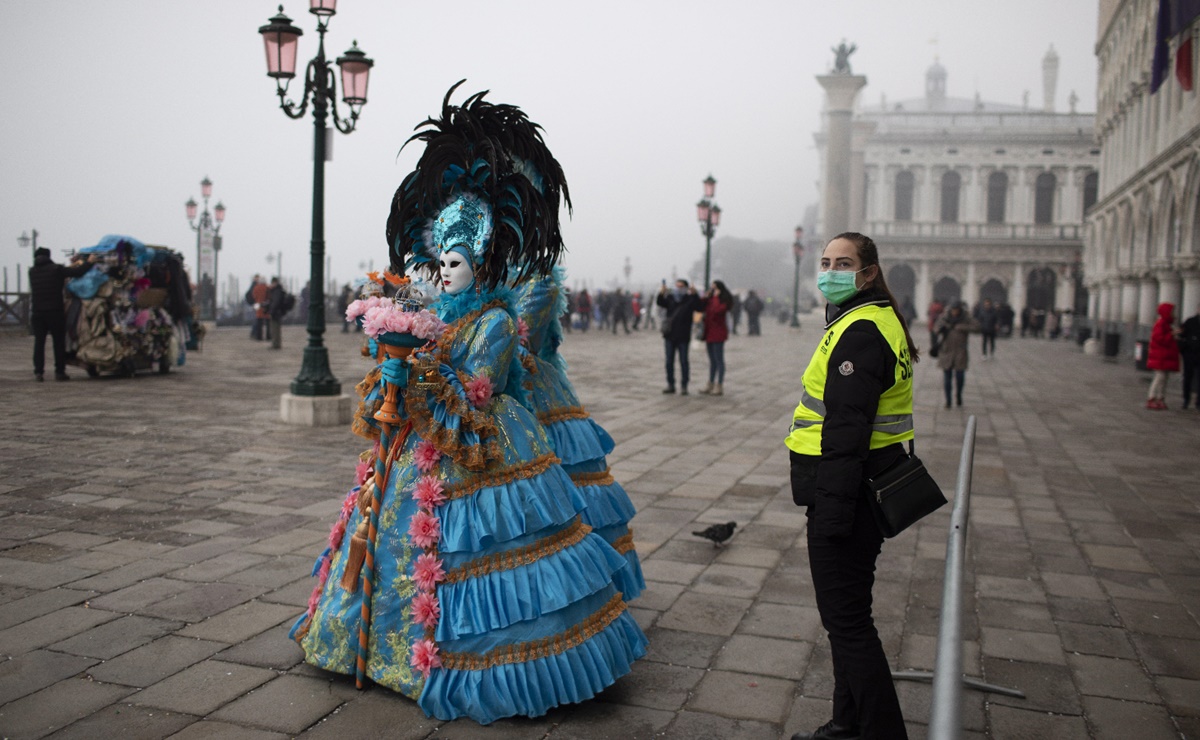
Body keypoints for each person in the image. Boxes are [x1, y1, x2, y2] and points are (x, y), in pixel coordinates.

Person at [291, 84, 647, 725]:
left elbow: (481, 386)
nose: (446, 271)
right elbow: (430, 368)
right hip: (426, 441)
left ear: (479, 263)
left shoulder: (496, 317)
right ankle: (373, 644)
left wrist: (423, 374)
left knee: (487, 546)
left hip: (482, 435)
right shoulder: (442, 313)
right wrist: (398, 360)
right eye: (440, 260)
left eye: (457, 261)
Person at [785, 232, 917, 740]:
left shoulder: (860, 331)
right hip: (866, 484)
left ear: (868, 273)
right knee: (848, 619)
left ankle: (881, 731)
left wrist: (833, 515)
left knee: (848, 624)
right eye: (825, 262)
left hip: (848, 493)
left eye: (843, 262)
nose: (830, 270)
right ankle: (847, 723)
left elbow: (846, 431)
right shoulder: (873, 319)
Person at [29, 247, 92, 381]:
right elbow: (78, 272)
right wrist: (90, 262)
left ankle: (38, 373)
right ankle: (59, 372)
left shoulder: (32, 271)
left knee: (39, 343)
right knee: (58, 342)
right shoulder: (56, 269)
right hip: (54, 311)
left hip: (37, 313)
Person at [657, 279, 702, 394]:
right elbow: (660, 302)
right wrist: (662, 292)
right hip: (670, 335)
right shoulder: (671, 298)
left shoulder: (690, 299)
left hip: (683, 335)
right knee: (669, 361)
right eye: (677, 286)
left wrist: (695, 294)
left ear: (686, 288)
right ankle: (670, 384)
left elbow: (699, 307)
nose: (678, 288)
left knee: (684, 361)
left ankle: (684, 385)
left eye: (681, 286)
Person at [935, 301, 980, 408]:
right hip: (947, 351)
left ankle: (959, 395)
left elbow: (977, 327)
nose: (954, 312)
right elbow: (936, 328)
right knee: (947, 377)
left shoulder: (966, 318)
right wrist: (941, 329)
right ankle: (948, 400)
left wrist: (962, 327)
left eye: (956, 310)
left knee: (960, 376)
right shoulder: (945, 318)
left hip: (960, 351)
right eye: (953, 310)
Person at [700, 280, 732, 396]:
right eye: (712, 288)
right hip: (709, 332)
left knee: (719, 360)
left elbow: (717, 310)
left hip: (718, 333)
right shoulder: (710, 299)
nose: (713, 291)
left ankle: (719, 385)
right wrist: (706, 297)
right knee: (712, 361)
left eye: (715, 288)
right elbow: (701, 306)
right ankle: (710, 383)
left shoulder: (723, 300)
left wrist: (716, 298)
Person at [1146, 302, 1180, 410]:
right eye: (1172, 312)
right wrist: (1172, 334)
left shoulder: (1165, 324)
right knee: (1159, 378)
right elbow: (1160, 339)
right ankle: (1152, 397)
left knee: (1164, 378)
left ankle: (1160, 398)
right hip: (1160, 356)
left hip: (1164, 357)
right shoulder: (1161, 323)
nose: (1174, 314)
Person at [1181, 303, 1200, 409]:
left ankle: (1198, 402)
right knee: (1187, 377)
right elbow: (1182, 334)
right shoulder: (1190, 321)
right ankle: (1186, 399)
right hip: (1189, 354)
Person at [267, 277, 286, 350]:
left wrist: (271, 311)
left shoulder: (276, 291)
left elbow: (275, 302)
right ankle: (277, 343)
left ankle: (275, 344)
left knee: (274, 328)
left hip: (275, 312)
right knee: (277, 328)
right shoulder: (279, 290)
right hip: (279, 312)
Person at [252, 275, 271, 341]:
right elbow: (269, 296)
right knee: (268, 322)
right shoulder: (267, 287)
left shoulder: (256, 288)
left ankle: (259, 336)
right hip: (266, 305)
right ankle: (268, 336)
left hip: (258, 305)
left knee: (259, 321)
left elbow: (254, 296)